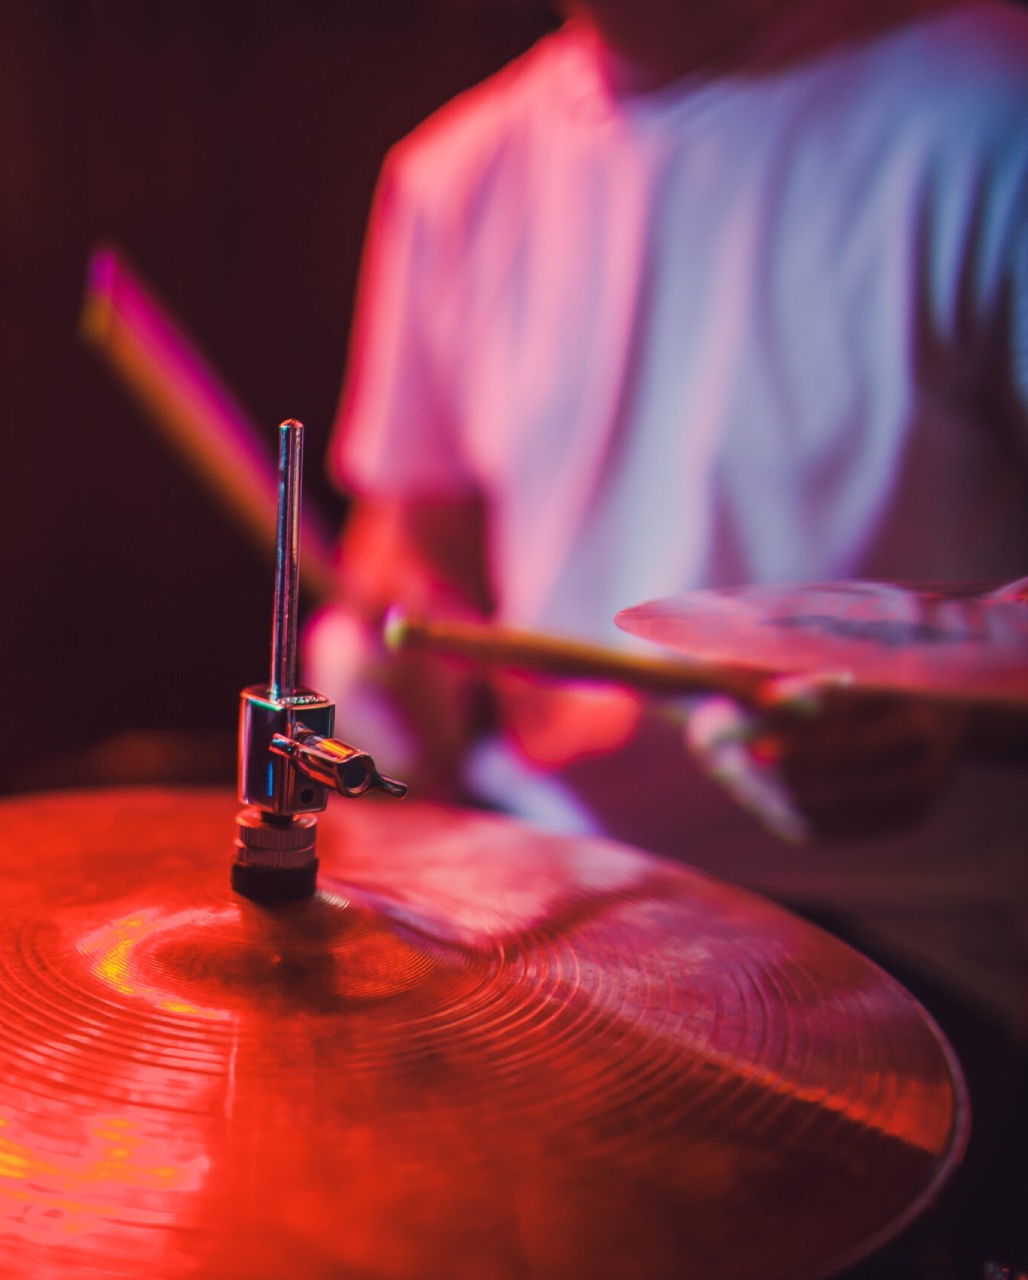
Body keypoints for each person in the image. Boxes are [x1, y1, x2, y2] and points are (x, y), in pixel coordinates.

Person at [306, 0, 1028, 1270]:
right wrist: (390, 642)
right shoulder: (453, 171)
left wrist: (953, 716)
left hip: (903, 937)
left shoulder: (987, 108)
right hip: (542, 897)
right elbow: (416, 533)